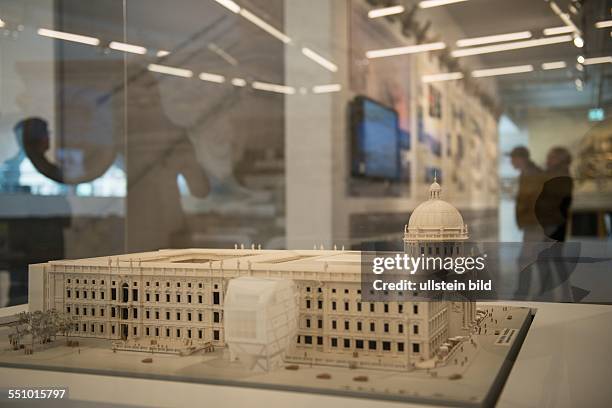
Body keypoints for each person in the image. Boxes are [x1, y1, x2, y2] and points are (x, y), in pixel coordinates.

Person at [508, 146, 543, 242]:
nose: (511, 162)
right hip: (531, 224)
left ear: (521, 159)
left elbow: (532, 198)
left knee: (530, 255)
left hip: (534, 224)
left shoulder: (532, 174)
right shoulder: (527, 173)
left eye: (513, 158)